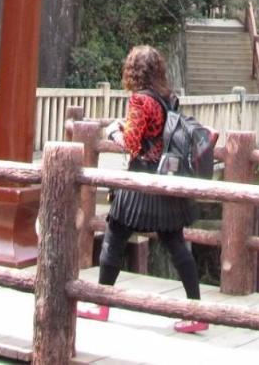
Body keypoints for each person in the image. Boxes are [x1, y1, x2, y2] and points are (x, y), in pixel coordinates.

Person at [77, 45, 207, 333]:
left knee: (114, 239)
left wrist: (112, 130)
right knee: (176, 244)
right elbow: (155, 133)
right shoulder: (166, 98)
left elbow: (132, 144)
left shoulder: (139, 101)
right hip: (164, 180)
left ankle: (101, 304)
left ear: (133, 71)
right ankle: (197, 312)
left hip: (139, 183)